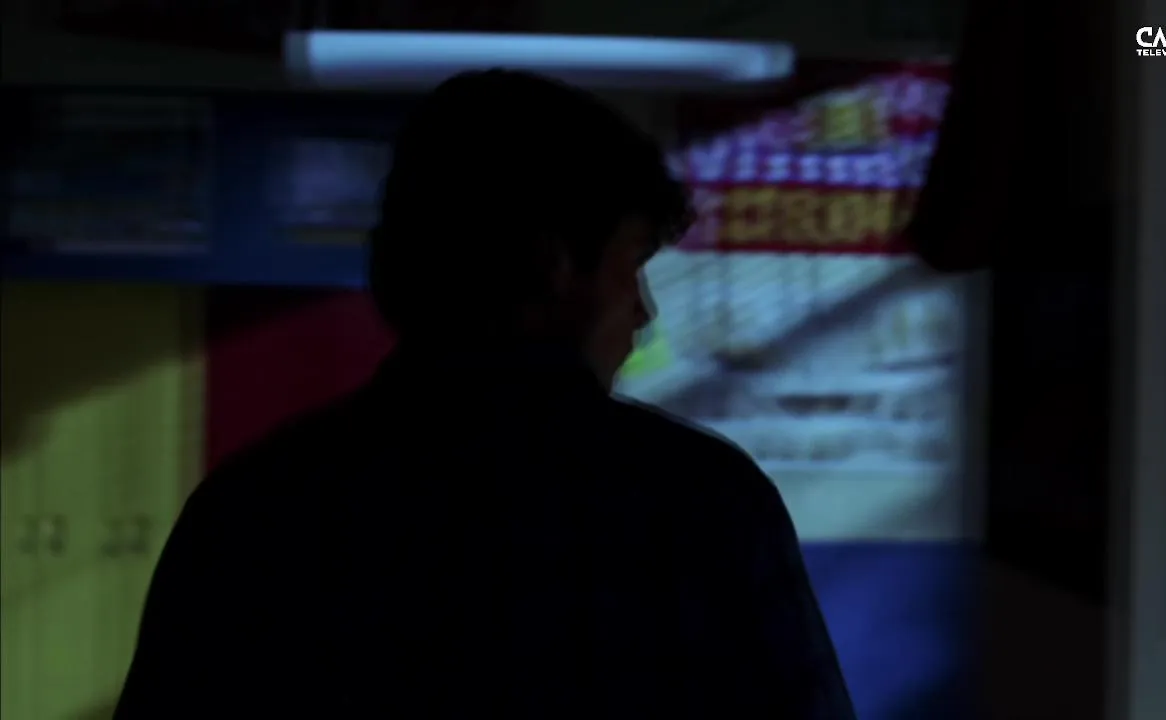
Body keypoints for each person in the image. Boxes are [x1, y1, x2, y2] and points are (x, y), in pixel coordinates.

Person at [114, 70, 856, 719]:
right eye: (631, 266)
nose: (642, 311)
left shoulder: (255, 509)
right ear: (553, 265)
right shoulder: (698, 506)